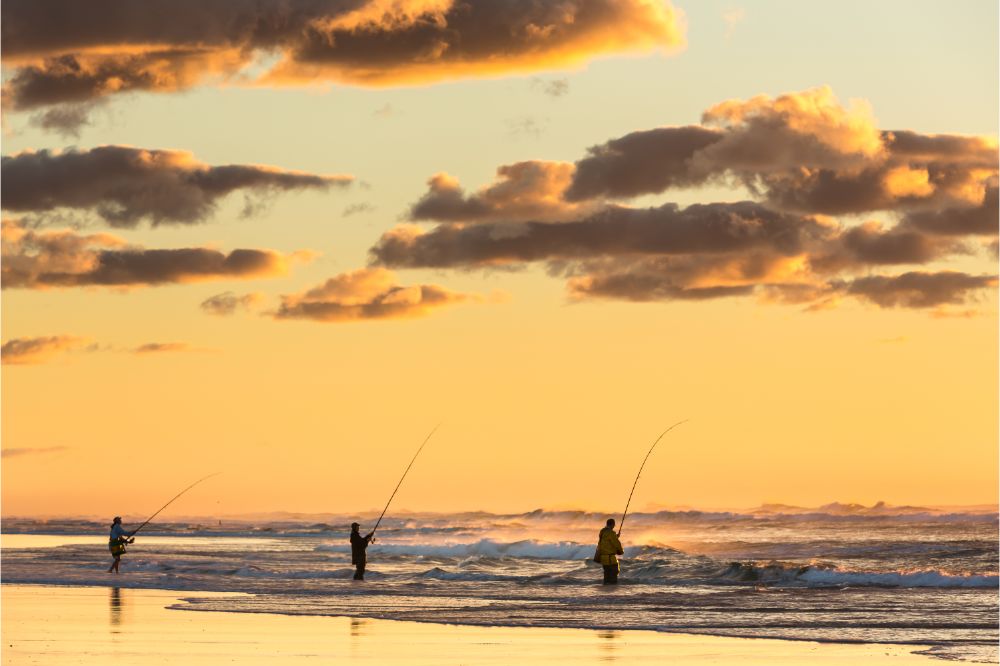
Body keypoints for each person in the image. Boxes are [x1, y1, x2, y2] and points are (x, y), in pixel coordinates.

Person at [595, 518, 624, 584]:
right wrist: (621, 551)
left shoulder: (602, 532)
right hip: (610, 559)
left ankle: (606, 589)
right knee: (614, 575)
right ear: (612, 524)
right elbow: (617, 544)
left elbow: (606, 540)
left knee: (607, 576)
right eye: (614, 525)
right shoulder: (611, 533)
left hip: (603, 558)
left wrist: (616, 536)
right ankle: (612, 591)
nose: (614, 526)